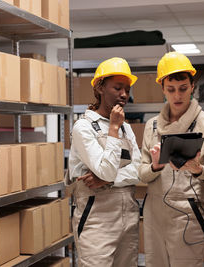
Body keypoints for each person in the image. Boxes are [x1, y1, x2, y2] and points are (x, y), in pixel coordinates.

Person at [138, 52, 204, 267]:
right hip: (154, 213)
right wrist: (155, 166)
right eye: (171, 90)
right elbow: (141, 173)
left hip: (188, 213)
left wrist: (197, 168)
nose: (177, 95)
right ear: (162, 89)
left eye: (183, 88)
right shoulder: (152, 125)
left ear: (193, 86)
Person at [67, 57, 141, 267]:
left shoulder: (126, 127)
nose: (124, 94)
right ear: (100, 87)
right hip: (97, 220)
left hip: (128, 216)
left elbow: (139, 171)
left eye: (127, 89)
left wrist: (109, 181)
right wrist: (113, 130)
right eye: (117, 87)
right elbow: (106, 171)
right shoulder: (84, 127)